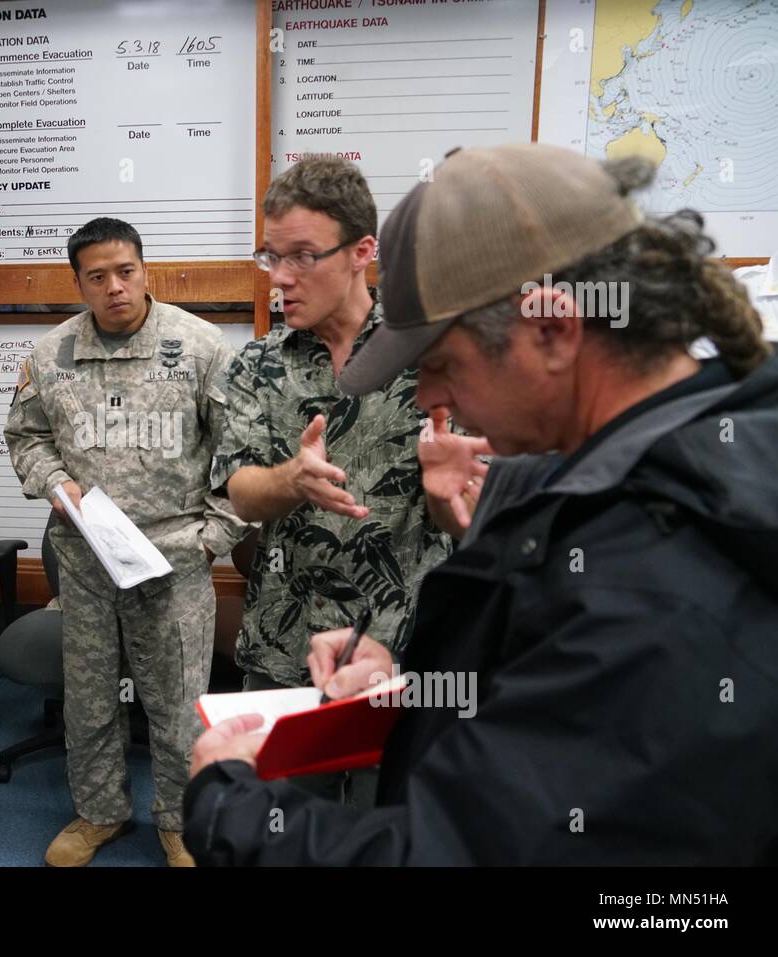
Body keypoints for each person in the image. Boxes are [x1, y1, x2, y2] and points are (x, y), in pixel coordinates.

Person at [184, 144, 778, 865]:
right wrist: (418, 691)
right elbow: (547, 718)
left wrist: (227, 802)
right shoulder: (659, 471)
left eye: (442, 365)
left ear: (554, 331)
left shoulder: (652, 569)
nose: (432, 398)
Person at [5, 217, 250, 867]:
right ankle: (99, 813)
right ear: (78, 281)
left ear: (145, 269)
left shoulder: (199, 346)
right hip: (85, 558)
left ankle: (176, 819)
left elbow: (243, 446)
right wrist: (58, 485)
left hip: (174, 554)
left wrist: (214, 536)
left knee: (174, 705)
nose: (115, 287)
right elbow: (26, 438)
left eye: (126, 271)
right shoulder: (51, 354)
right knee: (88, 701)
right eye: (97, 276)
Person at [213, 156, 462, 697]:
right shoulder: (258, 364)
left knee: (392, 786)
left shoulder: (434, 358)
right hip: (285, 647)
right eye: (272, 257)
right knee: (280, 785)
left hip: (404, 650)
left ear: (363, 252)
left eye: (303, 256)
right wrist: (291, 481)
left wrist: (446, 492)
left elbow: (471, 521)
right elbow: (241, 495)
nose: (280, 277)